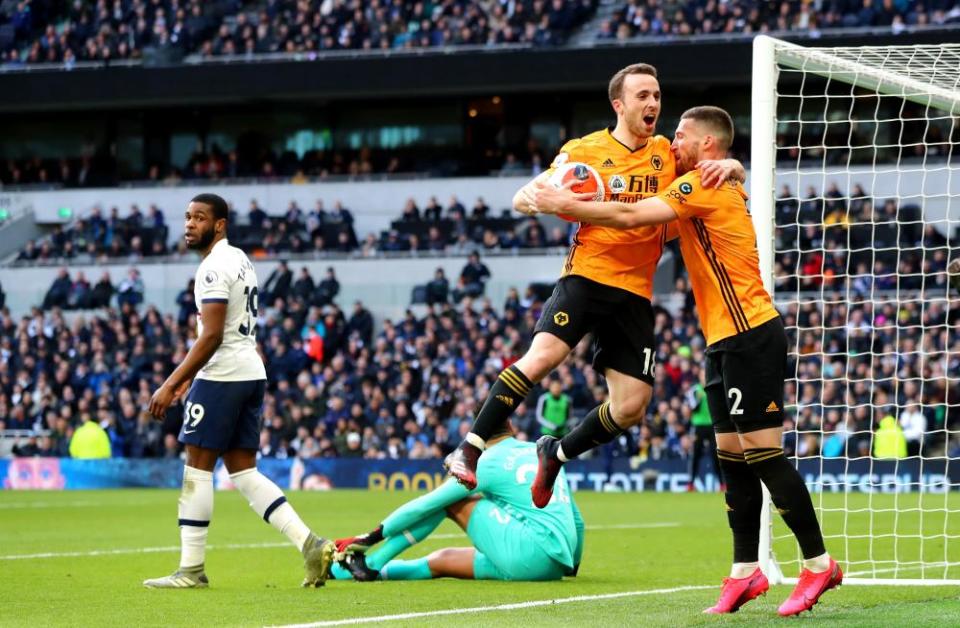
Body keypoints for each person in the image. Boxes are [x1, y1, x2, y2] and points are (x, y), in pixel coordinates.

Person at [535, 106, 839, 616]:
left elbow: (632, 214)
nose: (672, 141)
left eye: (681, 135)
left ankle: (818, 564)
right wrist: (737, 166)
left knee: (763, 456)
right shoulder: (710, 178)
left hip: (751, 333)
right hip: (722, 341)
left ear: (707, 147)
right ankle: (745, 572)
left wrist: (567, 204)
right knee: (732, 460)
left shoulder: (704, 183)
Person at [443, 63, 744, 503]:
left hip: (636, 292)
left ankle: (556, 453)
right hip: (588, 274)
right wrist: (542, 200)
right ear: (619, 104)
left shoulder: (665, 152)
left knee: (631, 406)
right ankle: (467, 449)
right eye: (643, 95)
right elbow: (524, 196)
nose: (653, 103)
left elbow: (710, 162)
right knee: (543, 357)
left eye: (657, 95)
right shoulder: (584, 151)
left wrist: (733, 163)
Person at [144, 193, 334, 589]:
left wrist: (171, 383)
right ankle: (309, 544)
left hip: (222, 375)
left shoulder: (213, 268)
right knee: (244, 472)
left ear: (220, 224)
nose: (190, 224)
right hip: (250, 371)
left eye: (199, 218)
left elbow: (212, 335)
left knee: (197, 467)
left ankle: (191, 570)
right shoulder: (241, 258)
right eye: (187, 217)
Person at [332, 421, 583, 583]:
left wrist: (370, 537)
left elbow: (425, 504)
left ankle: (372, 563)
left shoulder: (487, 460)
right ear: (511, 428)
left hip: (527, 553)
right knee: (442, 560)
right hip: (556, 565)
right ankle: (341, 572)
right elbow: (577, 522)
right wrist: (572, 565)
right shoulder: (545, 454)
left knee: (450, 501)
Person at [685, 368, 720, 492]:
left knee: (716, 455)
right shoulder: (695, 390)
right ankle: (690, 484)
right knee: (695, 454)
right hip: (698, 426)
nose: (704, 377)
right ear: (699, 376)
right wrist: (698, 399)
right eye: (702, 375)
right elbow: (692, 408)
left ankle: (722, 484)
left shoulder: (714, 389)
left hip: (712, 425)